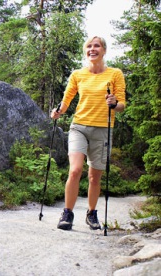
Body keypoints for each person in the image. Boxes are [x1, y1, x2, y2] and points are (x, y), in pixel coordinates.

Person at [51, 36, 126, 231]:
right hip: (79, 127)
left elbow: (122, 104)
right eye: (89, 46)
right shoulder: (78, 74)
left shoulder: (115, 74)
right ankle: (67, 212)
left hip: (103, 129)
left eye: (97, 46)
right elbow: (67, 99)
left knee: (94, 177)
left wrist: (114, 104)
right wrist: (59, 110)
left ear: (104, 50)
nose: (92, 49)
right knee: (75, 170)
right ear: (86, 51)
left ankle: (91, 213)